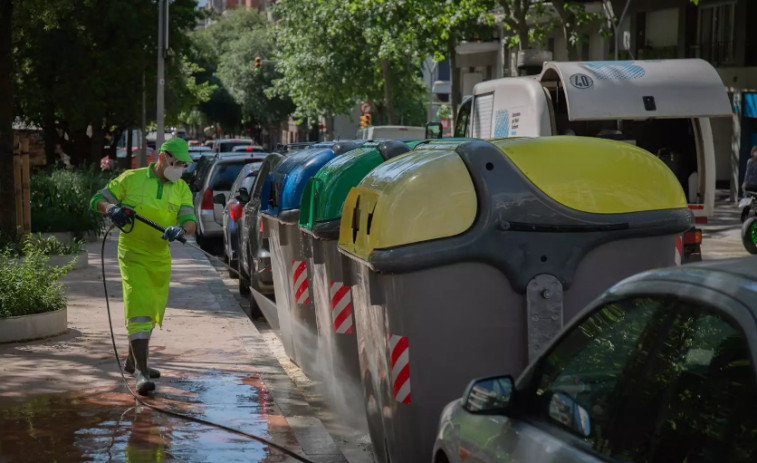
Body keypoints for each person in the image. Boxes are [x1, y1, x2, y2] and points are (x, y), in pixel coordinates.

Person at [90, 137, 197, 395]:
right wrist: (112, 209)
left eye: (184, 164)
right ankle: (141, 372)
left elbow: (190, 221)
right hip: (133, 254)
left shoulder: (181, 188)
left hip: (160, 257)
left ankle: (132, 361)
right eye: (178, 162)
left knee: (150, 309)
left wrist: (180, 229)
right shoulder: (131, 178)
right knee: (138, 306)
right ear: (163, 158)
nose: (181, 168)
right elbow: (96, 200)